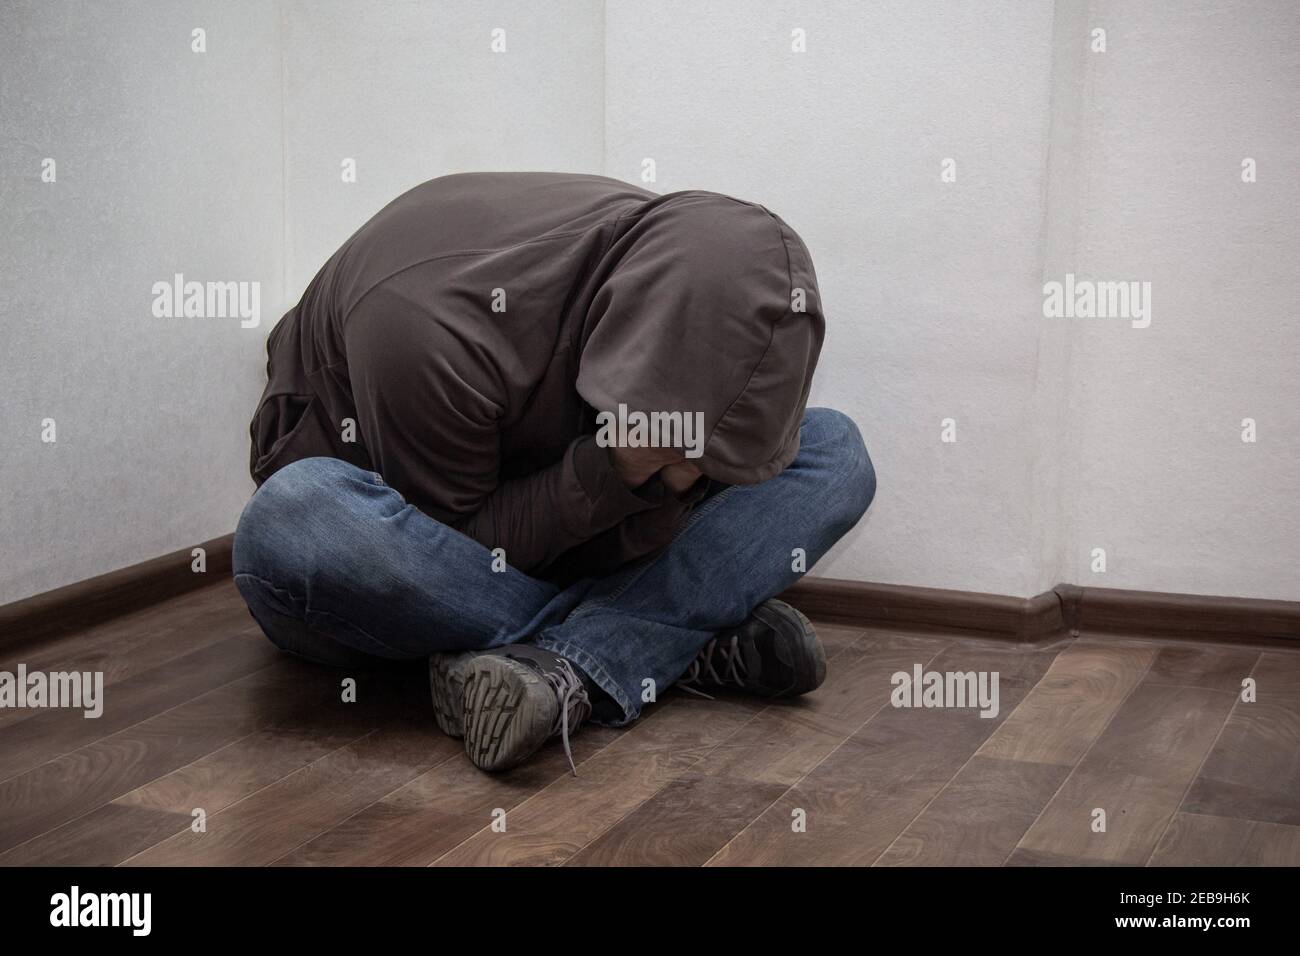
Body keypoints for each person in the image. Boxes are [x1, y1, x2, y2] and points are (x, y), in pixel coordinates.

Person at [232, 172, 875, 774]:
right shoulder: (428, 320)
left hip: (553, 539)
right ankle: (653, 643)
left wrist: (674, 474)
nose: (692, 473)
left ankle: (567, 661)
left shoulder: (679, 263)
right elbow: (463, 552)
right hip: (407, 558)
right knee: (294, 517)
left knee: (834, 450)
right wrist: (616, 471)